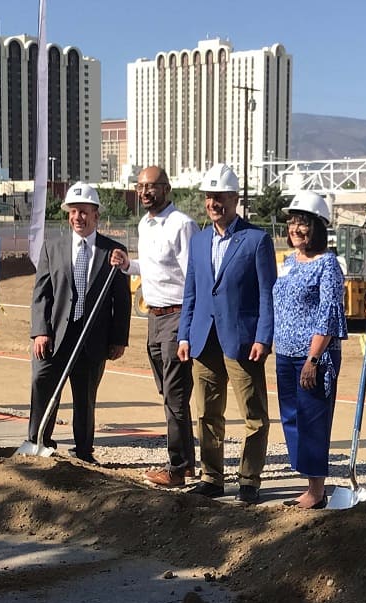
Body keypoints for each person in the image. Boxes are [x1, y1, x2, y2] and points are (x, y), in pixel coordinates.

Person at [177, 163, 277, 504]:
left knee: (254, 415)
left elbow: (267, 293)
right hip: (203, 339)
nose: (213, 203)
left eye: (219, 196)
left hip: (242, 341)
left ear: (235, 198)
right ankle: (211, 477)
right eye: (209, 197)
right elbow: (191, 292)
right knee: (207, 412)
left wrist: (264, 337)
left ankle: (249, 479)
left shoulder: (257, 240)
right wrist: (184, 335)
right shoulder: (200, 241)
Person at [28, 182, 131, 463]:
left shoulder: (113, 252)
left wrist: (119, 338)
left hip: (93, 339)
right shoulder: (52, 248)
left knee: (85, 398)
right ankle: (39, 442)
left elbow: (122, 301)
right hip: (55, 335)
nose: (78, 218)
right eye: (73, 212)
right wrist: (40, 331)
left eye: (84, 212)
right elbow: (41, 293)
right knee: (43, 384)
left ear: (96, 215)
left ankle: (84, 452)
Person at [110, 166, 199, 487]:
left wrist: (188, 327)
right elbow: (148, 268)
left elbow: (194, 279)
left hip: (177, 317)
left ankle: (176, 470)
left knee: (174, 396)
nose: (145, 192)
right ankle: (187, 464)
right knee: (168, 394)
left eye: (152, 186)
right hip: (154, 317)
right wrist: (127, 265)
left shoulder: (182, 225)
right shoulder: (145, 224)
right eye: (140, 187)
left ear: (167, 188)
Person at [274, 190, 348, 509]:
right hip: (285, 354)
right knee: (292, 418)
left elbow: (329, 313)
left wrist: (313, 358)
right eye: (292, 223)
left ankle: (316, 490)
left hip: (312, 357)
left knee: (313, 420)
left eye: (303, 223)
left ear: (318, 227)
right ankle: (308, 482)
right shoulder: (289, 262)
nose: (296, 229)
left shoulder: (327, 264)